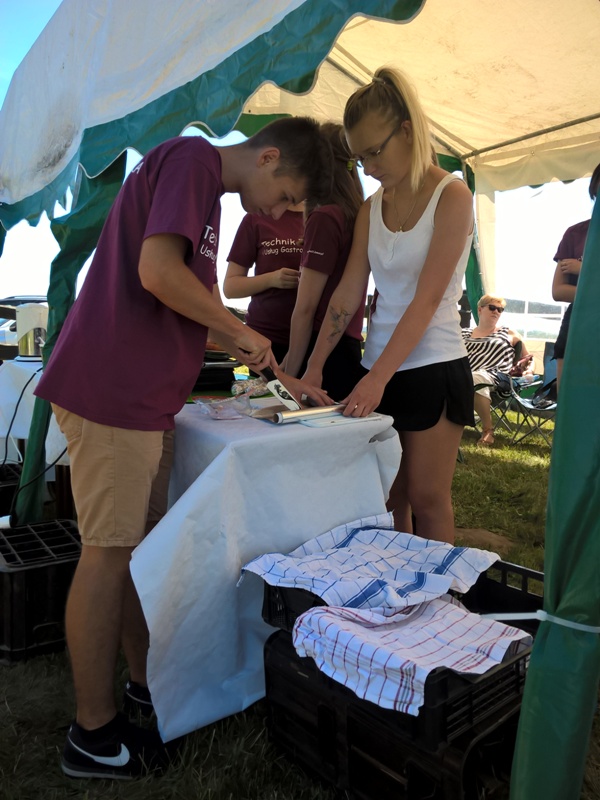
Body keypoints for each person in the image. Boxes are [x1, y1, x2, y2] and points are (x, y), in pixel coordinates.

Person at [34, 117, 333, 780]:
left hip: (143, 401)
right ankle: (92, 735)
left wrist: (264, 363)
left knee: (134, 556)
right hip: (114, 393)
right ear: (268, 157)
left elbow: (194, 299)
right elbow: (158, 272)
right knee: (107, 557)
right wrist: (240, 331)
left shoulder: (207, 195)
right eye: (286, 196)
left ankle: (143, 687)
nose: (278, 213)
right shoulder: (194, 162)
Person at [302, 67, 475, 544]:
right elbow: (347, 294)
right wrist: (314, 367)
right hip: (378, 364)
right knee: (386, 496)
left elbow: (427, 299)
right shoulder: (371, 208)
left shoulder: (453, 195)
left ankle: (439, 588)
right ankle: (398, 582)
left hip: (433, 363)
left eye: (375, 152)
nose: (368, 168)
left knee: (427, 497)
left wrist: (377, 378)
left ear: (406, 130)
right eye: (359, 158)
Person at [282, 122, 367, 401]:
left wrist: (288, 376)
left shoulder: (325, 217)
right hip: (347, 346)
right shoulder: (357, 214)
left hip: (320, 352)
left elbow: (305, 309)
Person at [223, 203, 305, 364]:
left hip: (316, 340)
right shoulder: (256, 218)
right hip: (266, 340)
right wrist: (271, 279)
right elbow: (230, 288)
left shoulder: (324, 216)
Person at [551, 162, 600, 391]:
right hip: (578, 323)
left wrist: (584, 269)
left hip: (582, 312)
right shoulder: (576, 233)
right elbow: (558, 291)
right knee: (569, 397)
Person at [462, 294, 534, 446]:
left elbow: (528, 358)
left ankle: (488, 430)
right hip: (463, 377)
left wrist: (529, 372)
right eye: (492, 308)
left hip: (497, 378)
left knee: (476, 378)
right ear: (480, 309)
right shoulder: (464, 333)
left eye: (500, 309)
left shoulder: (508, 333)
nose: (496, 312)